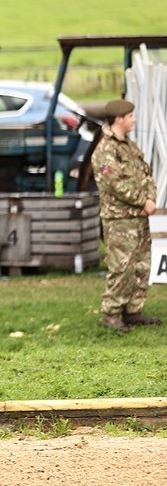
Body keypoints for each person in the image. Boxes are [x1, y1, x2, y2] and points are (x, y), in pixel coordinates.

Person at [91, 98, 160, 332]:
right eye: (130, 116)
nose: (134, 120)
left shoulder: (129, 146)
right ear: (119, 119)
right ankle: (112, 314)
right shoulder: (106, 151)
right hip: (120, 220)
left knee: (141, 266)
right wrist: (144, 201)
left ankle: (133, 311)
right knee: (121, 267)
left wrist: (150, 198)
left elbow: (146, 173)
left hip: (138, 217)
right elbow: (114, 185)